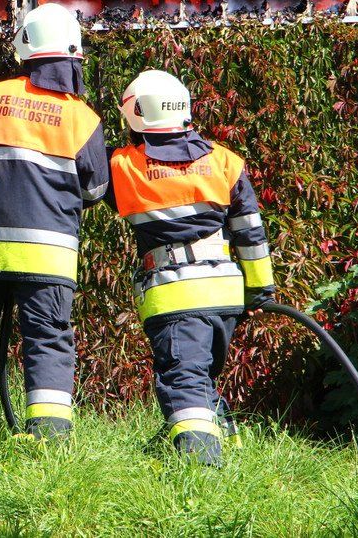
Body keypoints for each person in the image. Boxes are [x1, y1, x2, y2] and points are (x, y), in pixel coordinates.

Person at [0, 3, 109, 439]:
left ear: (24, 50)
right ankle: (48, 437)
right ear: (73, 56)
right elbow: (94, 192)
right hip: (48, 257)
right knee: (47, 340)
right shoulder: (82, 118)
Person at [105, 70, 275, 465]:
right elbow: (251, 232)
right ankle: (230, 454)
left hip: (175, 294)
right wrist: (260, 290)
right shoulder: (225, 161)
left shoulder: (123, 166)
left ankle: (202, 466)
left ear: (136, 115)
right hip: (226, 293)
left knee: (184, 381)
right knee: (201, 377)